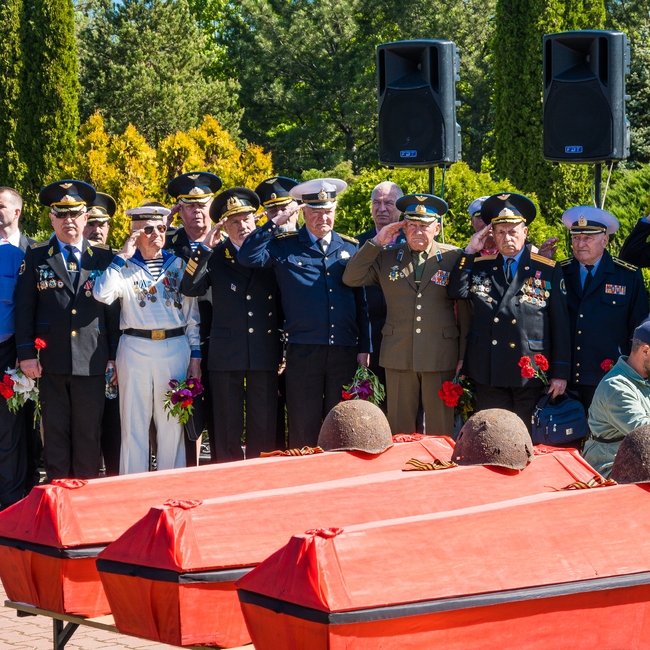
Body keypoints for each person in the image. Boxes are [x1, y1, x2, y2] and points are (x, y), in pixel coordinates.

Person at [238, 178, 371, 448]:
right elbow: (247, 256)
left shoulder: (350, 247)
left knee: (342, 423)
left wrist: (364, 347)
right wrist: (275, 222)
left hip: (343, 349)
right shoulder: (285, 246)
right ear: (304, 212)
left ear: (335, 210)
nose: (323, 218)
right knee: (302, 424)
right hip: (304, 350)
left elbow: (362, 302)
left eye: (328, 211)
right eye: (316, 212)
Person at [15, 180, 120, 481]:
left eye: (74, 214)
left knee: (88, 433)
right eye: (61, 214)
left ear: (86, 217)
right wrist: (26, 354)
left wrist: (114, 356)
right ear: (52, 218)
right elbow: (25, 308)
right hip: (51, 360)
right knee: (56, 433)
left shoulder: (104, 257)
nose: (68, 220)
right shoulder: (36, 256)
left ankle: (85, 496)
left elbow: (113, 313)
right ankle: (58, 494)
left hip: (92, 358)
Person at [344, 193, 471, 436]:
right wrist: (376, 242)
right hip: (399, 354)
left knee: (440, 430)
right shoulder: (387, 256)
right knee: (399, 429)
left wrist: (463, 356)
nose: (418, 231)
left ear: (437, 228)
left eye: (424, 226)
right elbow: (351, 277)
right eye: (412, 225)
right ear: (403, 227)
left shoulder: (453, 257)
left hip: (439, 355)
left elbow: (464, 313)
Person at [93, 204, 201, 474]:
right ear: (134, 234)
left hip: (174, 346)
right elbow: (101, 294)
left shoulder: (178, 264)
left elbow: (192, 316)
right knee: (133, 423)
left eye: (161, 228)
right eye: (149, 229)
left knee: (172, 424)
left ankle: (170, 484)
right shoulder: (123, 266)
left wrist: (195, 357)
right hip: (135, 347)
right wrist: (122, 256)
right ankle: (133, 485)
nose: (156, 234)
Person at [447, 192, 571, 427]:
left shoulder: (547, 269)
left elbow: (560, 324)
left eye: (513, 231)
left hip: (529, 369)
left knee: (525, 435)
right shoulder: (480, 266)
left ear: (525, 232)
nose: (507, 238)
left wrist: (560, 373)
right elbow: (456, 291)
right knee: (491, 433)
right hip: (489, 367)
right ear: (492, 234)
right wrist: (470, 251)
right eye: (501, 232)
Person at [181, 188, 281, 461]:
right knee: (226, 427)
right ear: (224, 226)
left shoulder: (271, 252)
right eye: (234, 222)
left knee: (263, 424)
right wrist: (203, 250)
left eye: (246, 219)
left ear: (255, 220)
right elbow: (189, 287)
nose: (242, 226)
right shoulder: (215, 255)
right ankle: (228, 476)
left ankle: (262, 478)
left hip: (263, 346)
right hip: (227, 350)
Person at [559, 206, 648, 410]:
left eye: (588, 238)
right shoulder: (560, 272)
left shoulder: (626, 275)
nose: (580, 244)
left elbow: (639, 328)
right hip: (567, 377)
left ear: (605, 240)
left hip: (610, 376)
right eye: (576, 238)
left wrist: (633, 374)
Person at [166, 172, 222, 465]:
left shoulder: (228, 241)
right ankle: (188, 476)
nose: (197, 211)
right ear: (179, 209)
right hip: (180, 342)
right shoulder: (166, 244)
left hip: (223, 340)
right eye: (189, 205)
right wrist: (162, 225)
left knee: (223, 419)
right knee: (184, 420)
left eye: (202, 204)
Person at [254, 176, 300, 449]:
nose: (281, 216)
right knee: (269, 414)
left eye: (285, 209)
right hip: (267, 341)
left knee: (301, 412)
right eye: (273, 211)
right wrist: (267, 228)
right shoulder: (263, 245)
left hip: (301, 341)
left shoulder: (310, 240)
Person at [81, 192, 122, 476]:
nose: (97, 229)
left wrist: (116, 355)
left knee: (115, 427)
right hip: (83, 358)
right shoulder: (71, 259)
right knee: (86, 430)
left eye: (102, 224)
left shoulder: (118, 259)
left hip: (115, 357)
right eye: (91, 223)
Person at [355, 181, 406, 409]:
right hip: (370, 342)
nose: (382, 208)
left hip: (405, 343)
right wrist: (362, 345)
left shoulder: (413, 243)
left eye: (389, 203)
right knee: (371, 411)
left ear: (400, 208)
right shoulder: (357, 244)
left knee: (406, 410)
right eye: (376, 203)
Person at [583, 321, 650, 478]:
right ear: (645, 351)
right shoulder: (616, 388)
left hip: (638, 462)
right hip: (609, 468)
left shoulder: (643, 378)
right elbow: (645, 436)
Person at [0, 188, 30, 508]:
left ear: (17, 211)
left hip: (13, 353)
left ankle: (10, 505)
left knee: (11, 431)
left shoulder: (31, 252)